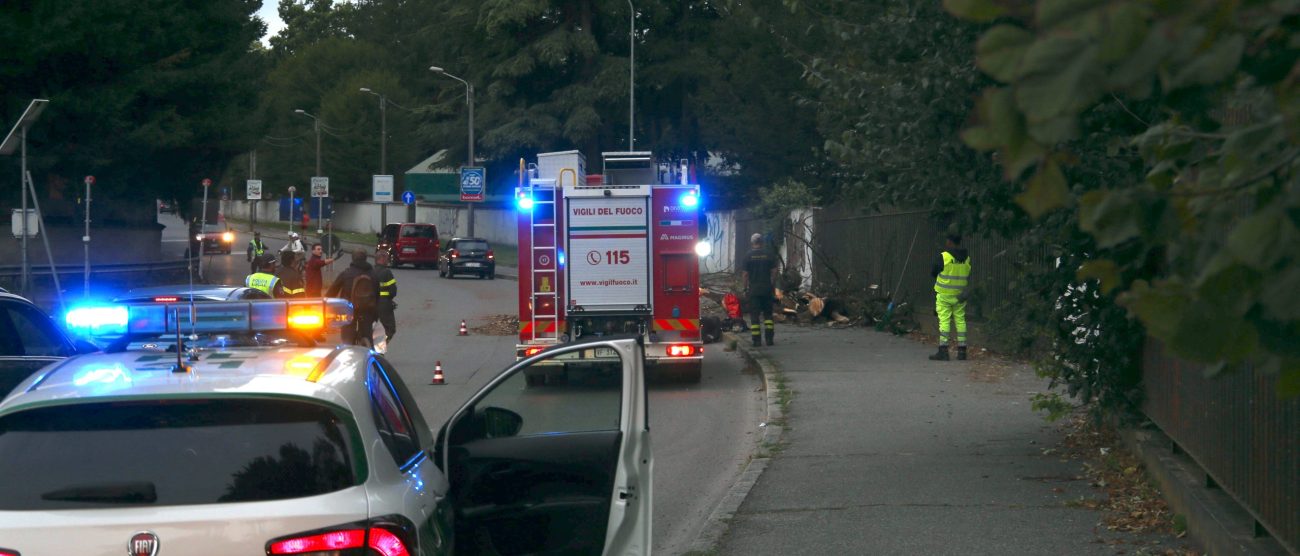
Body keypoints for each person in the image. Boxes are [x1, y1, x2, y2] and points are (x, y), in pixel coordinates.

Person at [929, 233, 972, 361]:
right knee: (960, 320)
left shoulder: (944, 257)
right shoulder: (966, 258)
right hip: (960, 295)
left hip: (944, 295)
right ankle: (962, 351)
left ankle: (943, 351)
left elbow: (933, 272)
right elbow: (968, 273)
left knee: (944, 320)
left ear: (949, 242)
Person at [327, 249, 377, 346]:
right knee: (367, 333)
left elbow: (332, 291)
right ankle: (370, 352)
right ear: (366, 259)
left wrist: (328, 304)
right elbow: (378, 293)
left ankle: (348, 349)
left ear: (353, 259)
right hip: (367, 308)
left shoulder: (346, 273)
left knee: (347, 334)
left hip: (348, 308)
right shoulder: (372, 274)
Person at [741, 232, 779, 347]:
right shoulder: (769, 254)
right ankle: (769, 340)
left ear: (752, 243)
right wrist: (772, 284)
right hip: (767, 289)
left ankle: (756, 341)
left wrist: (745, 288)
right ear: (762, 242)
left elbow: (745, 275)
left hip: (754, 290)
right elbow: (774, 271)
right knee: (768, 315)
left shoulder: (748, 256)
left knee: (754, 316)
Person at [373, 249, 398, 346]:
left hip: (370, 304)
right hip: (384, 304)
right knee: (390, 328)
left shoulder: (370, 271)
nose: (388, 261)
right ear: (382, 259)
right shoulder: (387, 272)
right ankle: (381, 345)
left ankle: (371, 344)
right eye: (387, 258)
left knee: (372, 327)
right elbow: (393, 291)